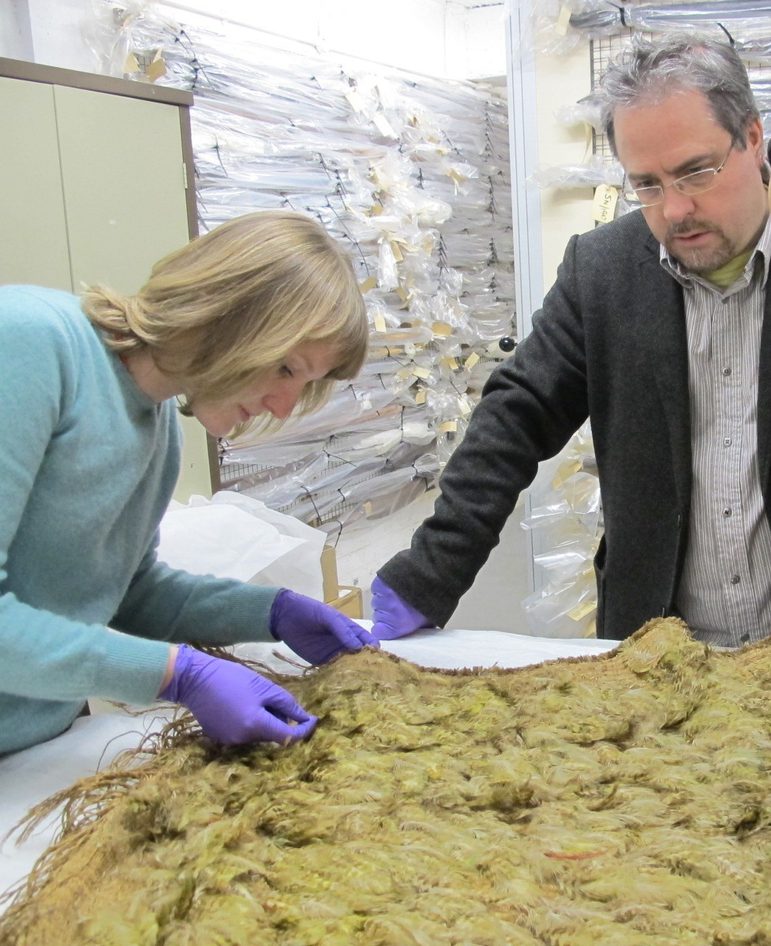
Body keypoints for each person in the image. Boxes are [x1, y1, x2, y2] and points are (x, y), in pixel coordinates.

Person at [372, 34, 771, 650]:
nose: (675, 210)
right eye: (648, 185)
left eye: (696, 171)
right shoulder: (604, 270)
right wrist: (429, 572)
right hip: (654, 655)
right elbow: (517, 414)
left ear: (751, 137)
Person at [0, 209, 378, 755]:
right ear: (226, 316)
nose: (284, 404)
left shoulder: (160, 434)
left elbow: (128, 591)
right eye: (287, 369)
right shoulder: (31, 344)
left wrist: (270, 611)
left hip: (32, 745)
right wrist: (174, 673)